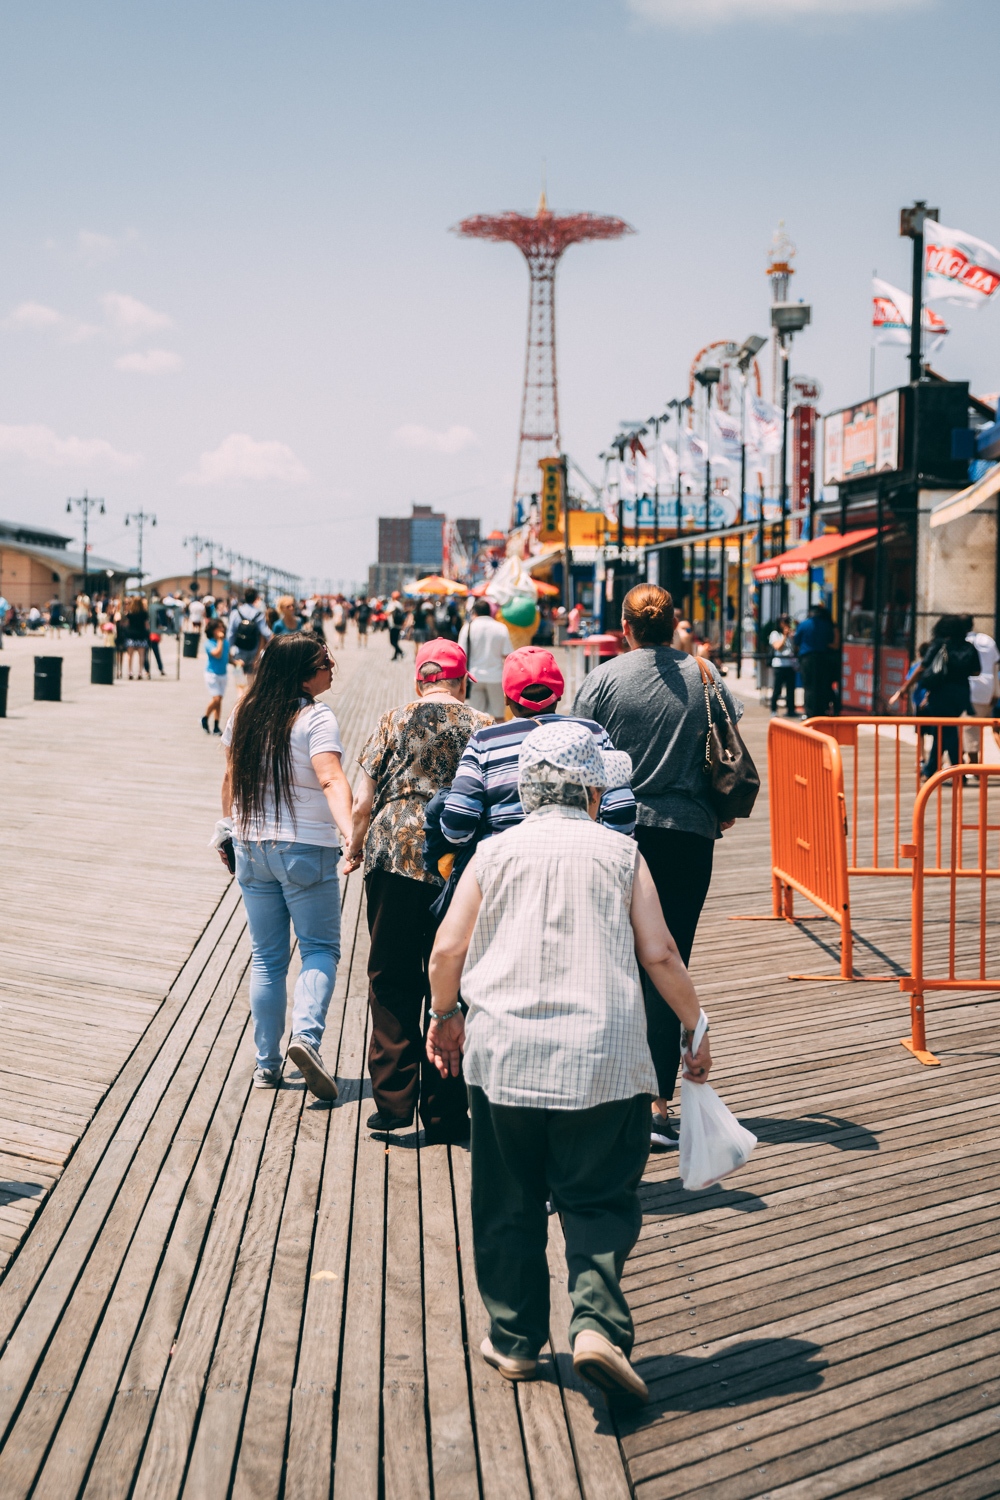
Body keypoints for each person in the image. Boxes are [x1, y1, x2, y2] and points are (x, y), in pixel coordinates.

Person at [426, 721, 712, 1403]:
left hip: (504, 1056)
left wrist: (445, 1020)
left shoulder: (492, 853)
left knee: (508, 1198)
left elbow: (445, 952)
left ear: (527, 790)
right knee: (599, 1200)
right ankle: (596, 1329)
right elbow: (661, 953)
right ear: (590, 790)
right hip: (605, 1058)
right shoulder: (621, 852)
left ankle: (517, 1341)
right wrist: (695, 1025)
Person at [573, 583, 742, 1153]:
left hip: (618, 835)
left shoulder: (603, 680)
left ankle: (608, 1096)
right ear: (675, 625)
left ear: (626, 626)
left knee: (612, 962)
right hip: (689, 836)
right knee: (670, 964)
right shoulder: (706, 674)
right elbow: (728, 742)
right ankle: (656, 1104)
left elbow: (581, 758)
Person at [343, 639, 492, 1141]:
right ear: (463, 680)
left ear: (419, 680)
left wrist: (355, 845)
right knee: (451, 982)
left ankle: (392, 1104)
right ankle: (447, 1114)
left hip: (393, 853)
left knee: (390, 974)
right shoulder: (483, 725)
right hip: (457, 863)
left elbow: (361, 800)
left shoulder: (393, 720)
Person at [219, 634, 352, 1098]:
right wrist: (351, 833)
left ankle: (266, 1064)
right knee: (319, 948)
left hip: (251, 846)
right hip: (305, 850)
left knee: (267, 957)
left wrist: (225, 828)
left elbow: (232, 777)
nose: (332, 666)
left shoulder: (243, 712)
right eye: (323, 661)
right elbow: (331, 777)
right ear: (301, 672)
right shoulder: (315, 717)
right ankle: (307, 1038)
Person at [441, 645, 636, 848]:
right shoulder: (594, 733)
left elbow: (457, 825)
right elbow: (622, 811)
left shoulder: (484, 742)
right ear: (559, 694)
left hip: (504, 868)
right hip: (585, 862)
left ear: (507, 698)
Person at [913, 615, 980, 779]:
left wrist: (904, 688)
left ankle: (956, 771)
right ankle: (934, 768)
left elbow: (924, 666)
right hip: (961, 695)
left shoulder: (939, 645)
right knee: (944, 729)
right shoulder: (969, 647)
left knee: (945, 730)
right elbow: (976, 671)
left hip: (940, 695)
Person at [458, 599, 511, 720]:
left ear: (474, 612)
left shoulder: (467, 628)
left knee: (477, 718)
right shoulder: (501, 628)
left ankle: (480, 738)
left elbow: (461, 654)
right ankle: (500, 738)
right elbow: (507, 655)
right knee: (499, 717)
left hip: (474, 677)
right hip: (496, 677)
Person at [961, 614, 1000, 760]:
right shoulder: (987, 640)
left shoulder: (961, 642)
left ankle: (974, 764)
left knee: (970, 729)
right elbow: (995, 667)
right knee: (993, 728)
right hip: (988, 689)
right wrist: (996, 692)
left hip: (971, 690)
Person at [794, 603, 835, 718]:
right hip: (823, 657)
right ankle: (822, 710)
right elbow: (830, 640)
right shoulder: (826, 625)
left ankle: (810, 712)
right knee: (822, 685)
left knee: (809, 686)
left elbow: (797, 641)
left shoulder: (803, 625)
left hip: (807, 658)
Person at [227, 588, 273, 689]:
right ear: (256, 598)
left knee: (239, 683)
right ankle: (248, 701)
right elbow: (266, 633)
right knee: (250, 681)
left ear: (244, 597)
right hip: (253, 651)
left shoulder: (236, 613)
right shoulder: (259, 614)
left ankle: (240, 700)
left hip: (238, 651)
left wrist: (228, 650)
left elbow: (230, 633)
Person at [203, 618, 230, 733]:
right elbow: (217, 654)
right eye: (218, 627)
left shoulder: (226, 643)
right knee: (216, 698)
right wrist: (220, 640)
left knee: (219, 701)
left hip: (223, 674)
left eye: (222, 627)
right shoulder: (209, 643)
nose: (221, 629)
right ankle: (205, 717)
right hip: (212, 674)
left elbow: (227, 657)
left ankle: (216, 725)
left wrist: (236, 662)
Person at [769, 615, 798, 717]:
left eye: (787, 621)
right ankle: (773, 709)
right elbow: (778, 647)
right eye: (784, 621)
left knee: (791, 689)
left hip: (790, 665)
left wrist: (792, 636)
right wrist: (785, 636)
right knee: (777, 688)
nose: (786, 624)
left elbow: (795, 649)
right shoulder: (775, 634)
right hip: (779, 665)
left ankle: (791, 710)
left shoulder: (791, 635)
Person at [124, 595, 150, 680]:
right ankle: (140, 672)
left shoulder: (130, 613)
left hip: (131, 635)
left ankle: (130, 671)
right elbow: (146, 625)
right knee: (141, 655)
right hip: (141, 635)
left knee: (130, 655)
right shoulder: (144, 613)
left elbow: (127, 624)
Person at [387, 591, 406, 661]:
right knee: (396, 641)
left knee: (392, 642)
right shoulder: (400, 605)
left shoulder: (393, 604)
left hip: (393, 625)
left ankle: (401, 652)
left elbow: (388, 612)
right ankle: (395, 656)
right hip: (399, 625)